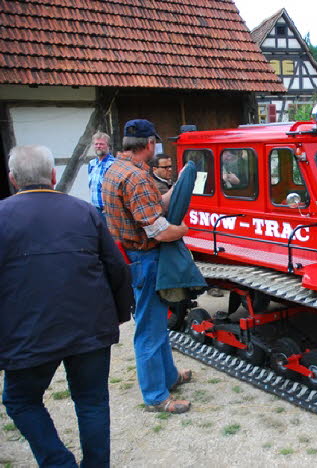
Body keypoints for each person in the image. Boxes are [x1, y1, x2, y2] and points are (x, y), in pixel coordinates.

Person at [0, 145, 133, 467]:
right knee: (91, 402)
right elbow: (117, 268)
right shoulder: (85, 212)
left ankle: (58, 462)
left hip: (26, 331)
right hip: (90, 327)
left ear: (13, 179)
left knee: (21, 401)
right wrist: (116, 316)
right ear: (54, 175)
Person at [102, 119, 193, 414]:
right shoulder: (138, 178)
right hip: (146, 258)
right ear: (150, 144)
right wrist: (182, 230)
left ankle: (169, 377)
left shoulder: (115, 169)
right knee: (150, 330)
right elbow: (159, 230)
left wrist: (177, 190)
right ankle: (156, 396)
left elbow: (150, 206)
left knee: (156, 324)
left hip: (131, 257)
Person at [87, 131, 115, 220]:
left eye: (101, 144)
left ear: (108, 146)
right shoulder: (92, 164)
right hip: (95, 210)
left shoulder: (113, 164)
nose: (98, 146)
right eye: (96, 144)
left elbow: (114, 189)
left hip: (108, 211)